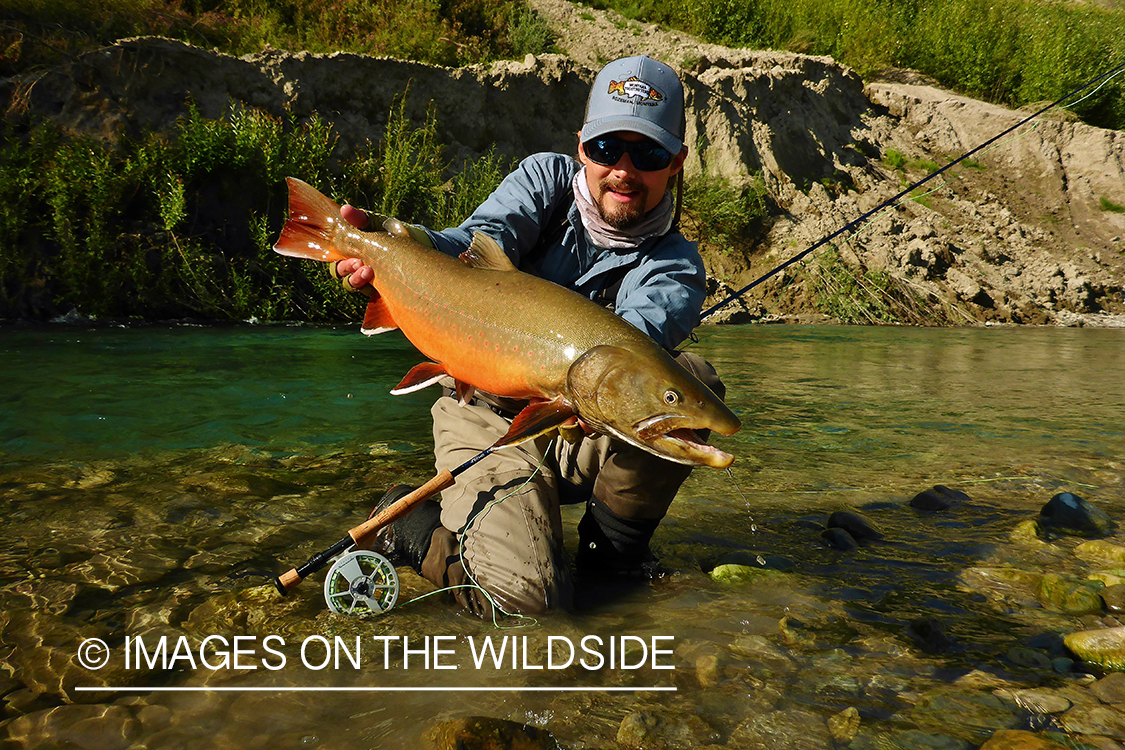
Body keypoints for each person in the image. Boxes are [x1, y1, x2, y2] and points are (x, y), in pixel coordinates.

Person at [333, 55, 725, 618]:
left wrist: (594, 394)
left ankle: (611, 561)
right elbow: (471, 244)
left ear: (677, 163)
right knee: (526, 606)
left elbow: (628, 354)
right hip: (485, 412)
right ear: (581, 147)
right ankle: (416, 528)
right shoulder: (545, 182)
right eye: (608, 148)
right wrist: (390, 243)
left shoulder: (677, 267)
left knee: (689, 385)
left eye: (649, 153)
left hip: (580, 423)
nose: (624, 169)